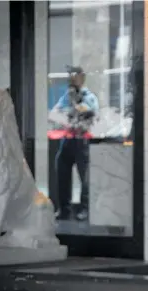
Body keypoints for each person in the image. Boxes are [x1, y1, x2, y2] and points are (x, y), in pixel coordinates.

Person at [50, 66, 99, 221]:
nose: (71, 79)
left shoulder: (89, 97)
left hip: (82, 141)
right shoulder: (67, 95)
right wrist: (66, 117)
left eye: (74, 76)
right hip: (67, 140)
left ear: (82, 78)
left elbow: (89, 115)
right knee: (62, 172)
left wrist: (75, 109)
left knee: (85, 177)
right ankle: (64, 209)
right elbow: (54, 113)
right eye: (70, 76)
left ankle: (85, 209)